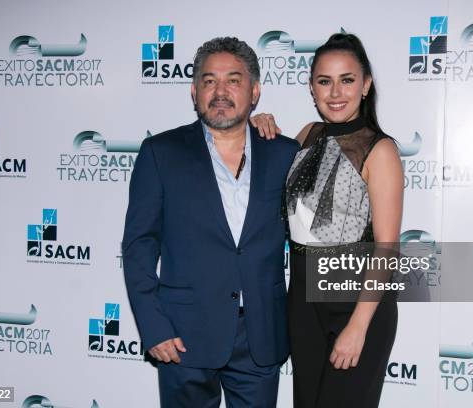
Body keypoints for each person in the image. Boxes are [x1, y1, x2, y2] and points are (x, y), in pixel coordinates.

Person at [122, 37, 299, 407]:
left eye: (233, 80)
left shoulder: (284, 154)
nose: (220, 91)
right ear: (193, 91)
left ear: (255, 91)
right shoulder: (160, 153)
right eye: (208, 81)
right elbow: (139, 247)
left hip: (260, 337)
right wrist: (153, 327)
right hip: (183, 335)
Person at [252, 33, 403, 408]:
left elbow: (386, 247)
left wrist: (358, 326)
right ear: (311, 87)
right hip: (302, 299)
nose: (336, 92)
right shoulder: (306, 134)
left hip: (355, 300)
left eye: (347, 80)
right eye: (324, 81)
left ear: (365, 85)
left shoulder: (379, 150)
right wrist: (258, 126)